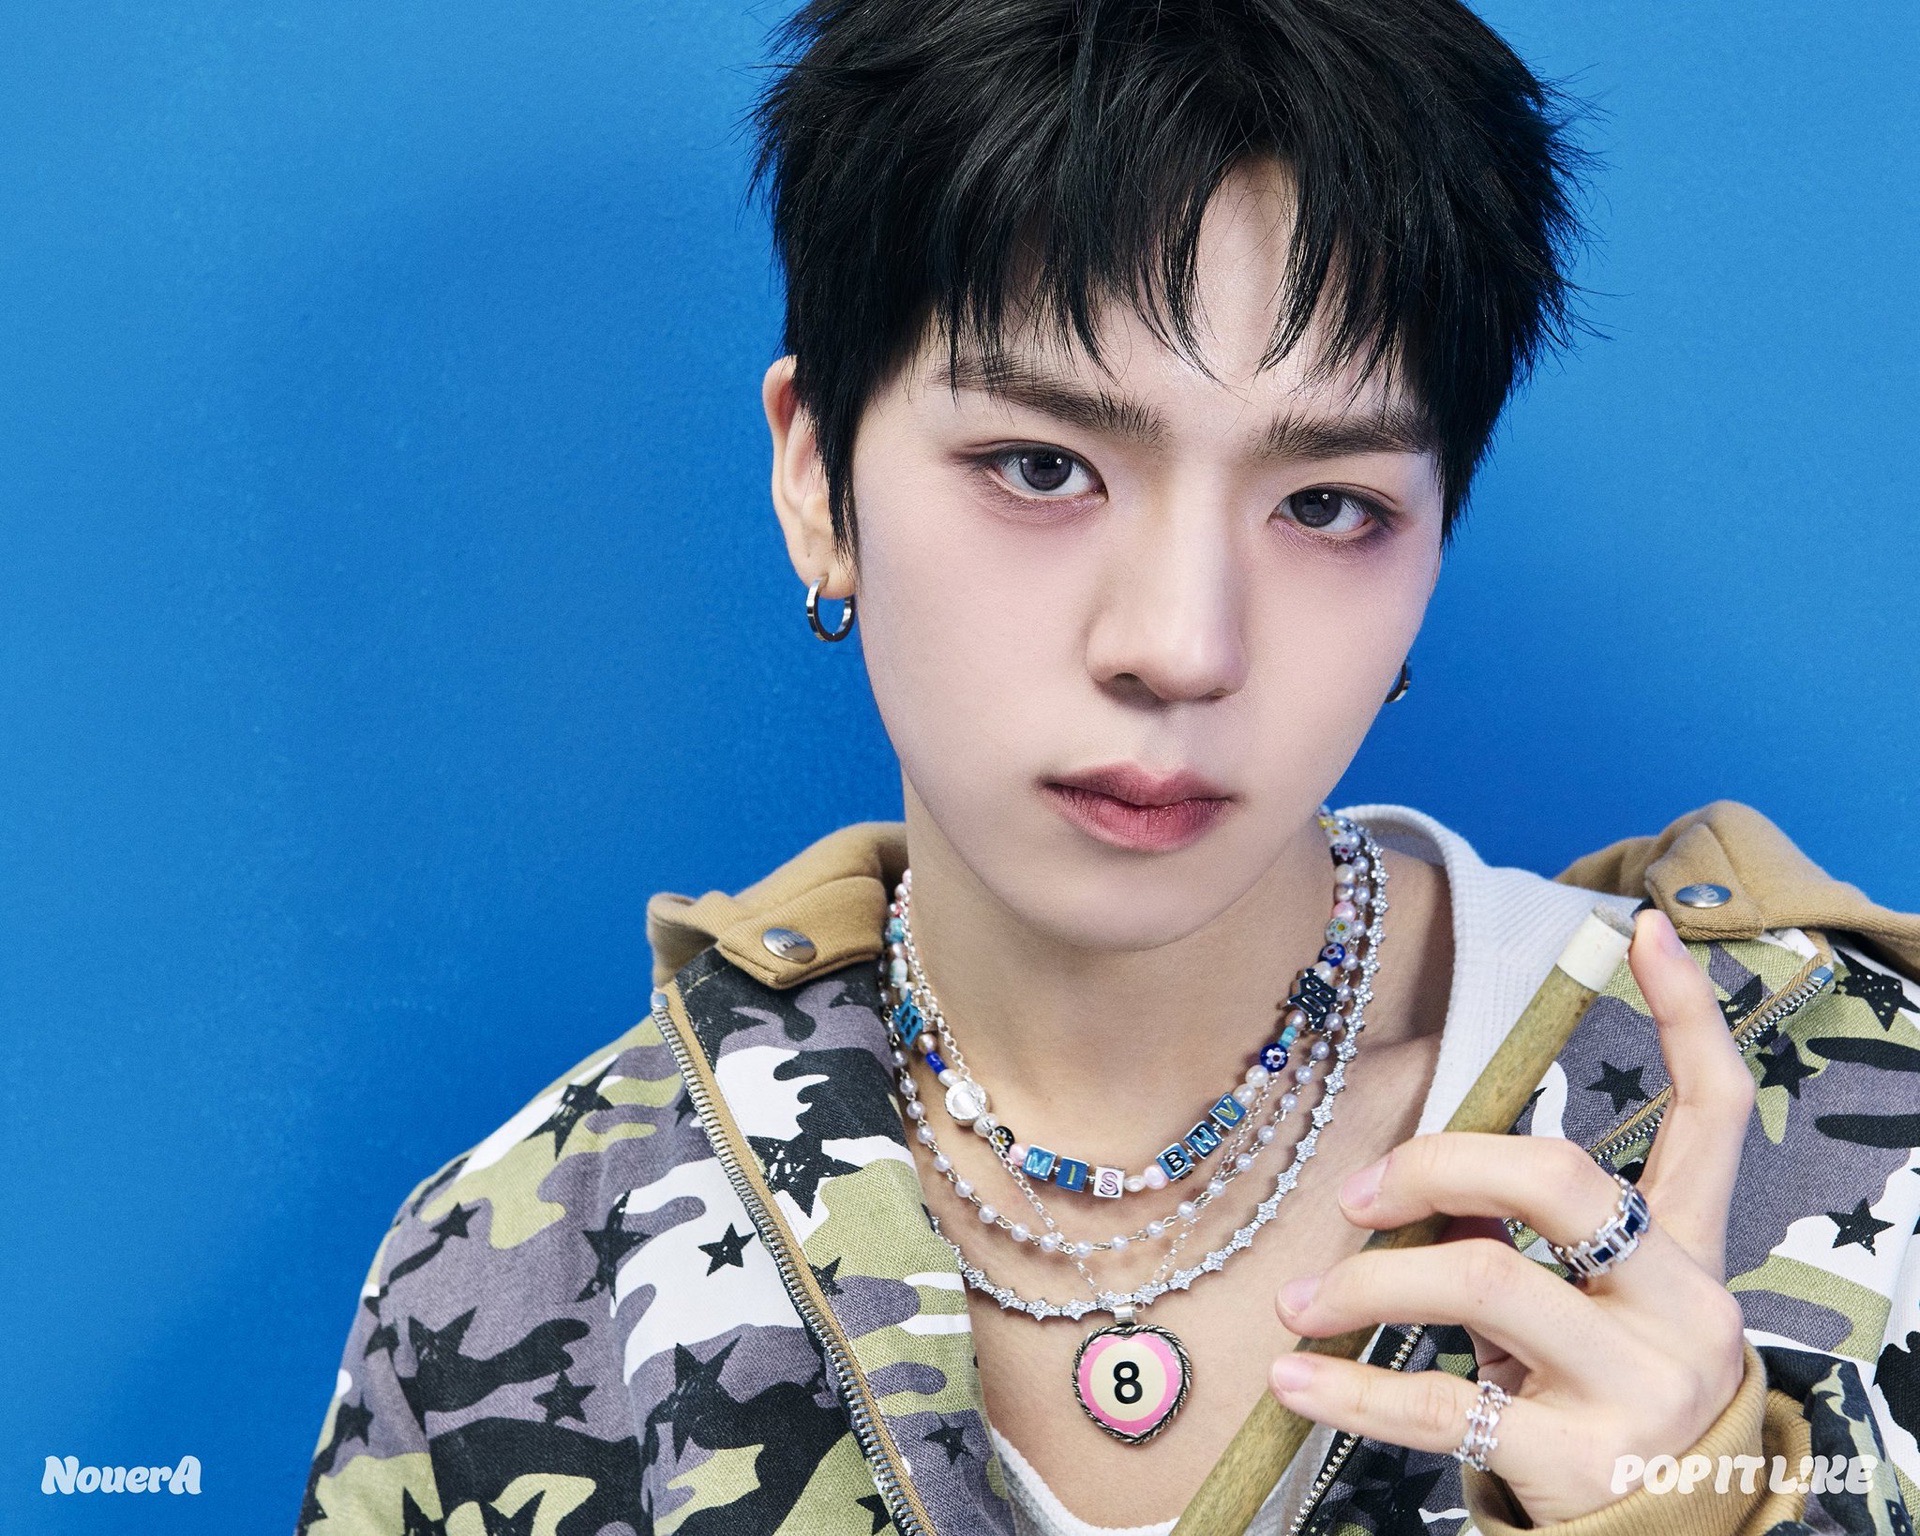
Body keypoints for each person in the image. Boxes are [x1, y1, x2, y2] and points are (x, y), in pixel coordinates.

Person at [297, 2, 1920, 1533]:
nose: (1180, 644)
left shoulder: (1853, 1119)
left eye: (1327, 505)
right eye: (1040, 466)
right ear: (816, 477)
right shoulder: (515, 1276)